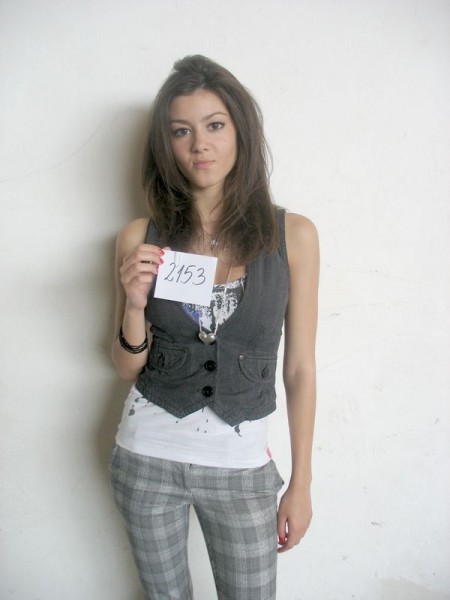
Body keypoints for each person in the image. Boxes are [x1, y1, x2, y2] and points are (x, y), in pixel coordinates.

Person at [109, 55, 319, 600]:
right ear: (167, 145)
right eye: (181, 131)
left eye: (215, 125)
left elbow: (299, 369)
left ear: (240, 132)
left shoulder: (294, 235)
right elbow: (126, 366)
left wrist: (301, 483)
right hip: (146, 460)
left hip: (241, 470)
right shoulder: (140, 236)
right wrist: (134, 305)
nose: (199, 145)